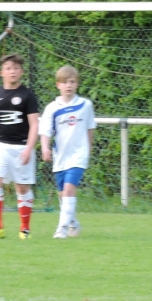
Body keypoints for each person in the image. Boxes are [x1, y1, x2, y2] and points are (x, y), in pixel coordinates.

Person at [0, 54, 41, 240]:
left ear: (21, 71)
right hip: (0, 146)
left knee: (22, 188)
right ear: (2, 73)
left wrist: (29, 148)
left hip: (21, 147)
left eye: (16, 68)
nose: (12, 71)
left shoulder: (27, 95)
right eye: (8, 68)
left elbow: (35, 124)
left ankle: (25, 229)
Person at [39, 65, 97, 239]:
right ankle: (73, 223)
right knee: (62, 193)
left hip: (79, 155)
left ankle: (61, 229)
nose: (68, 85)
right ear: (58, 85)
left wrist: (88, 149)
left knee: (69, 189)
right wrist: (45, 148)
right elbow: (45, 131)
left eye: (72, 82)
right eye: (65, 82)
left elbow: (90, 128)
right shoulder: (52, 108)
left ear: (77, 84)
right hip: (61, 157)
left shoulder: (85, 105)